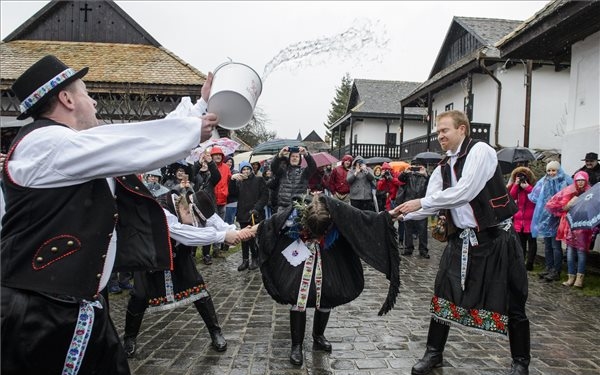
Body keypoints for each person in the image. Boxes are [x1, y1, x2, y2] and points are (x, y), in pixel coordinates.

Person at [0, 55, 218, 375]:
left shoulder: (77, 151)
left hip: (80, 305)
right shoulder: (43, 143)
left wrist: (198, 107)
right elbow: (124, 143)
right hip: (40, 313)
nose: (95, 102)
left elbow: (134, 150)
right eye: (88, 93)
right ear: (67, 98)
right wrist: (189, 129)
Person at [393, 110, 530, 375]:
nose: (440, 136)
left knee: (513, 299)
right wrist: (399, 215)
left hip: (497, 239)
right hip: (461, 240)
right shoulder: (443, 167)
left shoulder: (481, 151)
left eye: (444, 130)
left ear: (462, 129)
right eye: (438, 132)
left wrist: (421, 202)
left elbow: (466, 191)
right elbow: (431, 205)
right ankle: (434, 353)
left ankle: (521, 361)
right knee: (442, 296)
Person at [249, 193, 400, 366]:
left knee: (329, 293)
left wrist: (387, 217)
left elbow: (363, 219)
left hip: (330, 256)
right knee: (299, 295)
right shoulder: (294, 215)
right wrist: (252, 230)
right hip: (301, 256)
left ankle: (318, 336)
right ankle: (296, 345)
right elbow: (271, 224)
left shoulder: (339, 212)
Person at [122, 190, 251, 358]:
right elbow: (184, 234)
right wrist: (223, 236)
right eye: (194, 221)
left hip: (179, 254)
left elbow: (214, 221)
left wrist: (237, 231)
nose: (195, 225)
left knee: (199, 289)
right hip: (152, 256)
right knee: (139, 296)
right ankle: (129, 338)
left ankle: (215, 332)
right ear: (185, 209)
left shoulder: (196, 202)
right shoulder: (162, 210)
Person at [545, 171, 593, 288]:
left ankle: (579, 279)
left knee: (581, 252)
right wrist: (569, 204)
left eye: (582, 180)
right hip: (570, 226)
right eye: (578, 180)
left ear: (586, 180)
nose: (580, 182)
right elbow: (562, 208)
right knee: (570, 253)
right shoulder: (570, 191)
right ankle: (571, 277)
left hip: (583, 227)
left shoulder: (590, 192)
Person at [528, 160, 572, 282]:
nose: (551, 172)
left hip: (557, 218)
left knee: (555, 246)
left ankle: (556, 271)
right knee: (547, 245)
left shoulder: (565, 181)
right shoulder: (544, 181)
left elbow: (568, 196)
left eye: (553, 170)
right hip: (545, 218)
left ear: (558, 170)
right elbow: (535, 196)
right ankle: (548, 267)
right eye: (549, 170)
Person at [230, 161, 268, 271]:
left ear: (251, 169)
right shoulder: (239, 182)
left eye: (247, 169)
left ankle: (255, 257)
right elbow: (232, 194)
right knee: (243, 237)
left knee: (252, 237)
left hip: (255, 213)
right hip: (242, 212)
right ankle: (245, 259)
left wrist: (257, 208)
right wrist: (232, 180)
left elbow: (264, 196)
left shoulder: (259, 180)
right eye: (243, 169)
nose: (245, 171)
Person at [193, 151, 221, 265]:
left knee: (208, 231)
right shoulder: (195, 177)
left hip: (208, 209)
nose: (204, 165)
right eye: (203, 163)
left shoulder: (211, 178)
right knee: (194, 232)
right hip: (195, 208)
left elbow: (218, 176)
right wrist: (199, 163)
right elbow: (191, 174)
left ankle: (206, 254)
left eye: (206, 164)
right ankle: (192, 254)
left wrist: (210, 162)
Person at [398, 160, 430, 258]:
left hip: (421, 204)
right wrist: (406, 171)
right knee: (408, 228)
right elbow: (400, 178)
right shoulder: (408, 175)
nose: (416, 168)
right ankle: (408, 249)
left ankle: (423, 250)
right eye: (414, 166)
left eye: (418, 166)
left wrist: (426, 174)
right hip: (408, 203)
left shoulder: (425, 176)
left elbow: (432, 183)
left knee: (423, 229)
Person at [508, 166, 537, 271]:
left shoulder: (532, 187)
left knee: (532, 242)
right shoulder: (516, 187)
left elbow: (536, 196)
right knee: (521, 243)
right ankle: (521, 261)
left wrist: (527, 187)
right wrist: (516, 184)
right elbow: (511, 197)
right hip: (519, 220)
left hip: (530, 220)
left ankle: (530, 263)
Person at [270, 146, 317, 213]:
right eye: (292, 156)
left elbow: (313, 167)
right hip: (283, 207)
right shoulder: (283, 171)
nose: (294, 158)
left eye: (297, 156)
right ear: (289, 158)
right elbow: (273, 167)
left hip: (298, 207)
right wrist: (280, 155)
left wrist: (306, 154)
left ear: (300, 159)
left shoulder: (304, 172)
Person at [209, 146, 232, 258]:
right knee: (210, 226)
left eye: (220, 154)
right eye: (215, 154)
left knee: (219, 225)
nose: (218, 156)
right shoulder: (209, 167)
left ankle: (217, 249)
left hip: (222, 201)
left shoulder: (226, 168)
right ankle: (206, 251)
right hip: (210, 201)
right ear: (212, 156)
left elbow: (229, 181)